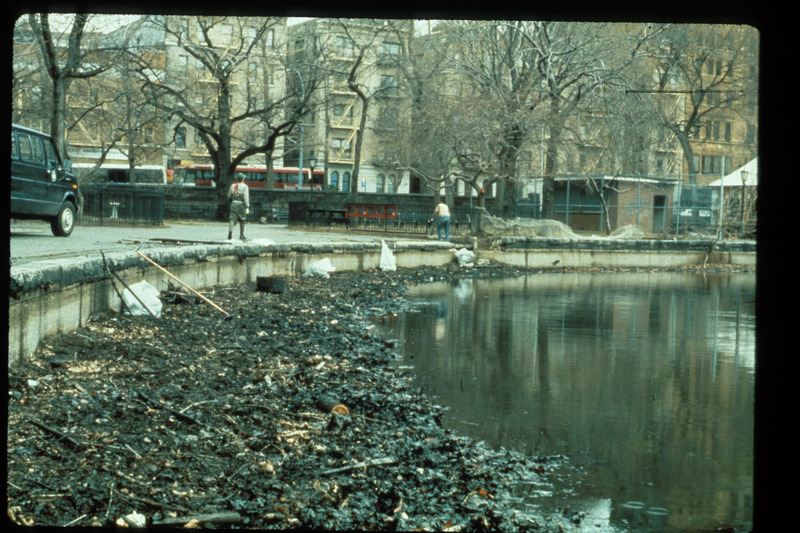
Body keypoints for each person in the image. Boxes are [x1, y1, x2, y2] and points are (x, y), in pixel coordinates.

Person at [227, 173, 250, 241]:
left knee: (232, 219)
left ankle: (230, 230)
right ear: (243, 179)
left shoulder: (233, 186)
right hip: (241, 204)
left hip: (233, 203)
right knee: (242, 219)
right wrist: (247, 206)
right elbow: (245, 197)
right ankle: (241, 235)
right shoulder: (245, 186)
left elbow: (229, 195)